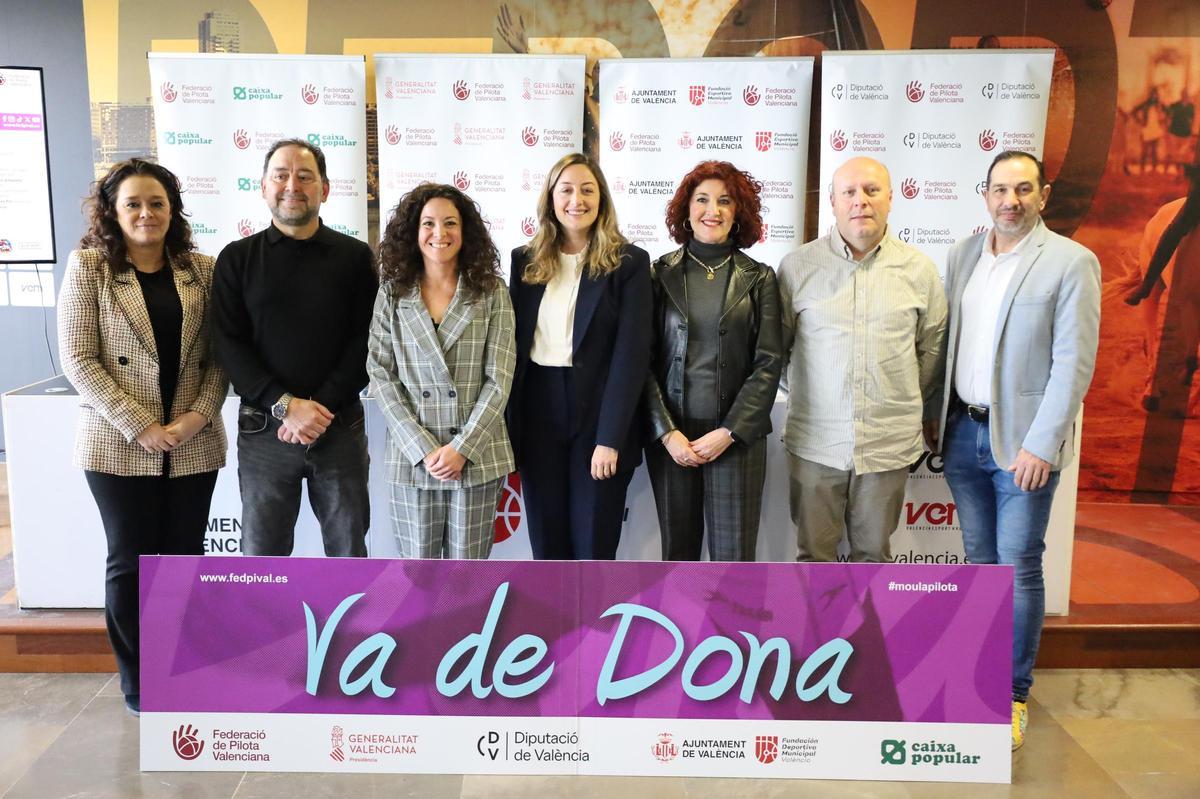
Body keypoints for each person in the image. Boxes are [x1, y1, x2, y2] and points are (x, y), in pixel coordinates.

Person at [934, 150, 1101, 751]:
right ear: (985, 195)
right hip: (963, 434)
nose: (1011, 201)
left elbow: (1073, 364)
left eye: (1024, 189)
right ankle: (977, 680)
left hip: (1025, 447)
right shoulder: (962, 255)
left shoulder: (1071, 262)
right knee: (980, 564)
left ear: (1043, 195)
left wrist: (1042, 444)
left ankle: (1011, 696)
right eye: (1000, 189)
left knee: (1017, 565)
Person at [59, 158, 228, 716]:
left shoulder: (202, 270)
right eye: (132, 203)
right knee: (130, 561)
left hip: (192, 443)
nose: (146, 213)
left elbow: (220, 358)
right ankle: (139, 679)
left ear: (173, 209)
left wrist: (195, 418)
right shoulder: (89, 267)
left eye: (156, 202)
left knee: (184, 561)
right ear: (112, 211)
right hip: (117, 444)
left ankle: (183, 668)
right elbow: (78, 359)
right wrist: (140, 425)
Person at [212, 138, 378, 557]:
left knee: (348, 553)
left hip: (337, 426)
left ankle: (350, 612)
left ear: (325, 189)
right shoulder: (236, 259)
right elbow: (229, 343)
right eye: (281, 176)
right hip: (264, 429)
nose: (292, 186)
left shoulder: (355, 258)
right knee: (262, 559)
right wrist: (286, 405)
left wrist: (317, 409)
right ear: (263, 187)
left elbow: (366, 341)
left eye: (305, 176)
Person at [777, 156, 946, 563]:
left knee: (873, 557)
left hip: (887, 445)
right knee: (814, 557)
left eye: (872, 191)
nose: (861, 201)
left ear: (890, 198)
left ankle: (866, 614)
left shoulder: (920, 270)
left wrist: (898, 396)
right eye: (849, 192)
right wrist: (811, 391)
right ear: (833, 202)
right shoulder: (797, 267)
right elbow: (777, 351)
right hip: (816, 442)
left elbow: (932, 351)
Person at [507, 153, 651, 560]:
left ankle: (595, 610)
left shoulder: (628, 263)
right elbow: (512, 348)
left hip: (599, 416)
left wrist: (610, 439)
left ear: (601, 198)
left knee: (594, 546)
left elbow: (631, 355)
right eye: (566, 190)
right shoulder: (524, 260)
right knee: (547, 545)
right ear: (550, 199)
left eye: (588, 190)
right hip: (538, 413)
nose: (577, 200)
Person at [643, 160, 782, 561]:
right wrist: (666, 432)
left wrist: (729, 432)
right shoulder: (658, 274)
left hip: (736, 441)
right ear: (686, 211)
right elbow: (642, 363)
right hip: (674, 441)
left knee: (733, 563)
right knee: (677, 559)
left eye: (725, 201)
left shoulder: (760, 278)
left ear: (738, 212)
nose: (712, 210)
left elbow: (769, 362)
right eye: (702, 200)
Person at [368, 184, 515, 558]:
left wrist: (461, 448)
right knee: (419, 577)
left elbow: (499, 378)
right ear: (413, 232)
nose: (440, 233)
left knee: (468, 579)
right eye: (428, 223)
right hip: (413, 460)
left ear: (466, 232)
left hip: (476, 457)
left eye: (450, 223)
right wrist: (423, 448)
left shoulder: (491, 291)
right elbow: (380, 373)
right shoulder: (392, 293)